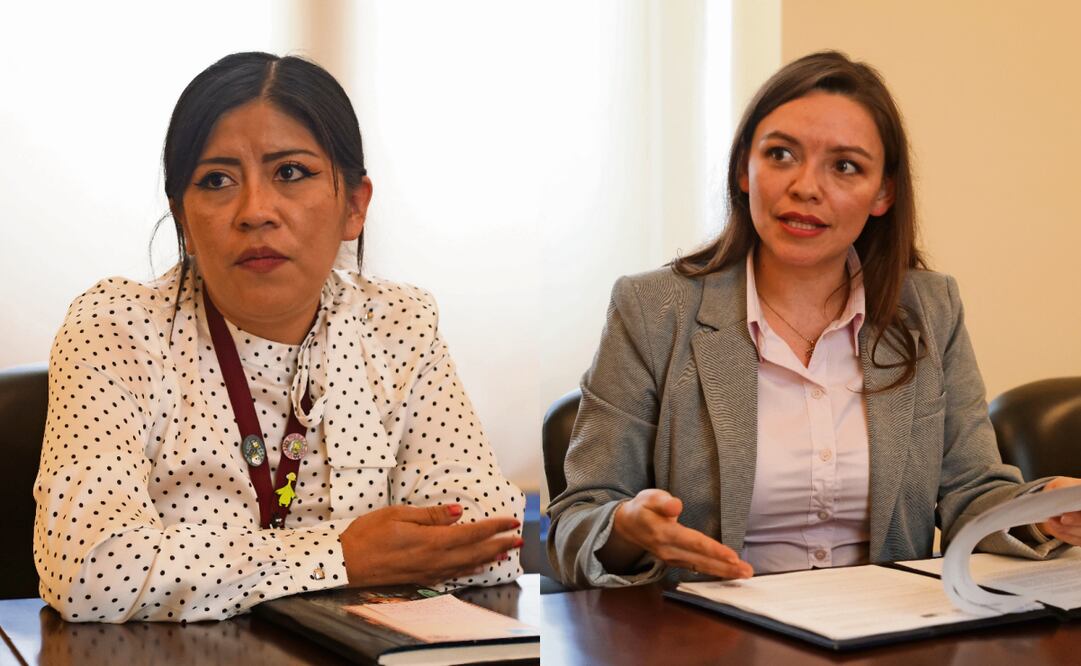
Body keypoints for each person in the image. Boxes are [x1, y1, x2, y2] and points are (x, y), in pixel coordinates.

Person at [547, 51, 1081, 588]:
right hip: (711, 633)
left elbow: (972, 491)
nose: (806, 186)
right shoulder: (653, 309)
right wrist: (626, 527)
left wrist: (1042, 510)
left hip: (883, 634)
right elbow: (577, 521)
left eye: (845, 166)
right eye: (780, 155)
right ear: (743, 169)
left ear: (883, 193)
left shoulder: (929, 308)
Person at [34, 52, 524, 622]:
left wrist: (218, 567)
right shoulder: (115, 330)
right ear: (184, 221)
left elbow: (488, 541)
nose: (255, 211)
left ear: (355, 207)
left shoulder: (397, 323)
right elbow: (90, 569)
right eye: (217, 180)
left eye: (290, 172)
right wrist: (342, 555)